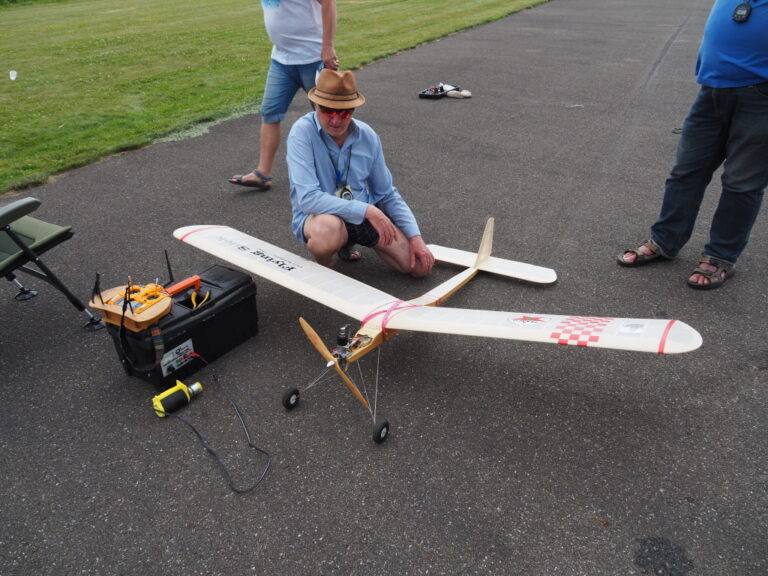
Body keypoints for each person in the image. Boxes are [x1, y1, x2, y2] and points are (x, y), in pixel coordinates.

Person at [618, 0, 768, 290]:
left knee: (742, 183)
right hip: (712, 89)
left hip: (761, 97)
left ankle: (720, 257)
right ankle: (665, 240)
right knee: (685, 172)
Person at [286, 69, 435, 277]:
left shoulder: (368, 136)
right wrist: (369, 211)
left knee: (418, 267)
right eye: (328, 111)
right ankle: (326, 267)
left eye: (344, 113)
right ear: (315, 105)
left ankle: (347, 242)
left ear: (353, 109)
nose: (336, 120)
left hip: (360, 213)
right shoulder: (301, 133)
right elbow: (308, 199)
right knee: (327, 231)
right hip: (321, 217)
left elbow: (386, 193)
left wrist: (415, 237)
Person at [229, 0, 338, 191]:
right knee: (270, 112)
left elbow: (328, 3)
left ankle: (339, 176)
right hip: (281, 60)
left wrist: (328, 47)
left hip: (313, 58)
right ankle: (262, 174)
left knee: (330, 117)